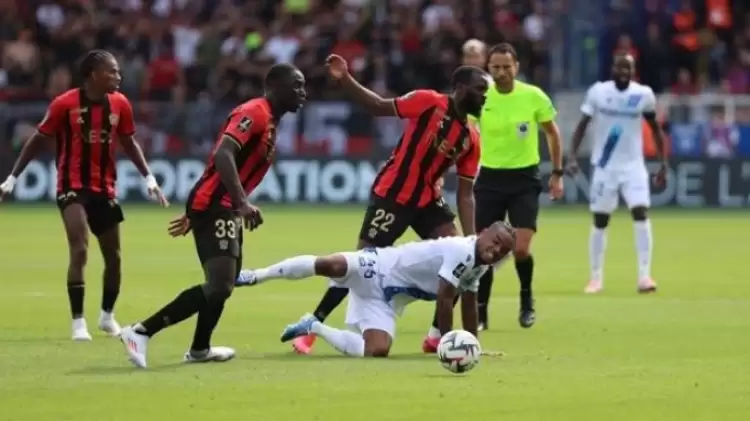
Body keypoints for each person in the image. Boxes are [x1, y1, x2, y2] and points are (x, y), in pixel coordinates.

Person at [283, 54, 488, 355]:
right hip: (393, 195)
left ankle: (435, 337)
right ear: (459, 87)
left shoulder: (471, 137)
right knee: (358, 263)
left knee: (461, 257)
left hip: (428, 200)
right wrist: (345, 78)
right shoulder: (428, 101)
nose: (484, 97)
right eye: (479, 90)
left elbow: (466, 193)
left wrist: (473, 240)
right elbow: (378, 106)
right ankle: (312, 323)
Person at [117, 63, 306, 369]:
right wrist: (240, 203)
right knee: (220, 284)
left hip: (222, 205)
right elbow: (223, 154)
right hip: (218, 204)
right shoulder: (255, 112)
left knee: (223, 283)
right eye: (297, 86)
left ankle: (200, 349)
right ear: (274, 86)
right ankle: (140, 331)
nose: (303, 93)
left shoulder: (270, 120)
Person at [0, 50, 168, 341]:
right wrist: (11, 179)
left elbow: (129, 143)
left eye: (117, 72)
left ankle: (107, 316)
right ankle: (78, 322)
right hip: (71, 185)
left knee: (113, 257)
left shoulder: (120, 104)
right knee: (79, 248)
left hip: (105, 187)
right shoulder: (64, 104)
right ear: (93, 74)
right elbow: (37, 141)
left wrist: (149, 178)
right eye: (111, 71)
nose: (118, 76)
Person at [236, 222, 515, 358]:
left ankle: (313, 326)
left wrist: (473, 345)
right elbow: (444, 299)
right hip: (377, 265)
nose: (496, 249)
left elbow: (469, 303)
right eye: (496, 241)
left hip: (385, 299)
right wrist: (449, 343)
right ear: (484, 232)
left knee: (377, 351)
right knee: (331, 264)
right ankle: (256, 275)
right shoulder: (461, 250)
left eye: (503, 250)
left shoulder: (478, 266)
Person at [468, 43, 564, 332]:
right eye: (495, 67)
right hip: (489, 180)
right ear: (488, 69)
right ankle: (481, 310)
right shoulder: (481, 98)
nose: (501, 72)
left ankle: (526, 300)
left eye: (506, 67)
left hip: (524, 180)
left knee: (520, 248)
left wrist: (557, 173)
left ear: (516, 67)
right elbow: (466, 134)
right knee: (484, 251)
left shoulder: (533, 96)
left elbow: (552, 133)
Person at [567, 54, 667, 294]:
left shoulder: (643, 95)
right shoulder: (598, 92)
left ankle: (644, 276)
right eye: (620, 66)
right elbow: (582, 125)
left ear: (634, 71)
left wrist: (663, 163)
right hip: (604, 167)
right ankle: (595, 278)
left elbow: (655, 130)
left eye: (629, 68)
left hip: (634, 167)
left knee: (640, 213)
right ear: (612, 68)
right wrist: (572, 155)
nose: (624, 71)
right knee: (600, 220)